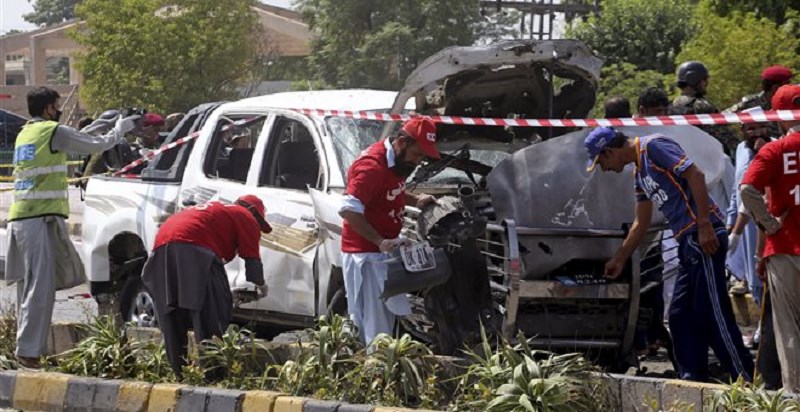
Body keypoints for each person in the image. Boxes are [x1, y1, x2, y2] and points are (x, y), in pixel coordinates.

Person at [585, 126, 753, 382]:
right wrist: (620, 258)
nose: (604, 168)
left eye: (601, 161)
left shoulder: (653, 146)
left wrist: (704, 224)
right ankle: (693, 377)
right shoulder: (639, 172)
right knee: (680, 315)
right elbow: (641, 223)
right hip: (687, 241)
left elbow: (695, 175)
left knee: (713, 311)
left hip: (701, 236)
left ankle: (745, 378)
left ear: (609, 150)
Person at [4, 87, 139, 369]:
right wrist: (120, 130)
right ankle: (28, 352)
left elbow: (76, 135)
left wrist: (105, 120)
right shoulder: (53, 132)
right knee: (40, 287)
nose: (58, 109)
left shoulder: (29, 132)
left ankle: (29, 349)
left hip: (25, 217)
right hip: (39, 218)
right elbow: (94, 145)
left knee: (30, 284)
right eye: (56, 105)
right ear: (48, 109)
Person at [141, 195, 271, 378]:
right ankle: (214, 375)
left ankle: (180, 373)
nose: (257, 229)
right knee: (212, 313)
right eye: (259, 224)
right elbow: (253, 265)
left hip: (162, 250)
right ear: (253, 212)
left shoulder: (212, 211)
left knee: (172, 315)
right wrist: (262, 286)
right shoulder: (244, 215)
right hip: (195, 248)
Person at [338, 118, 438, 345]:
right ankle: (374, 372)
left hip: (384, 252)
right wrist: (379, 240)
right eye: (417, 155)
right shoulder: (372, 167)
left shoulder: (395, 162)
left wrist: (415, 199)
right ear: (401, 142)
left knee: (387, 321)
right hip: (367, 256)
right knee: (375, 328)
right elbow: (348, 210)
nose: (418, 162)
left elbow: (388, 190)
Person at [739, 84, 800, 393]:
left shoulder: (774, 150)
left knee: (789, 327)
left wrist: (769, 225)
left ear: (780, 117)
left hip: (785, 247)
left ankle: (795, 395)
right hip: (783, 245)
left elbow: (747, 190)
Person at [670, 61, 739, 155]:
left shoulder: (672, 105)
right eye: (704, 79)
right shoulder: (701, 105)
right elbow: (725, 136)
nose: (706, 83)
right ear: (694, 79)